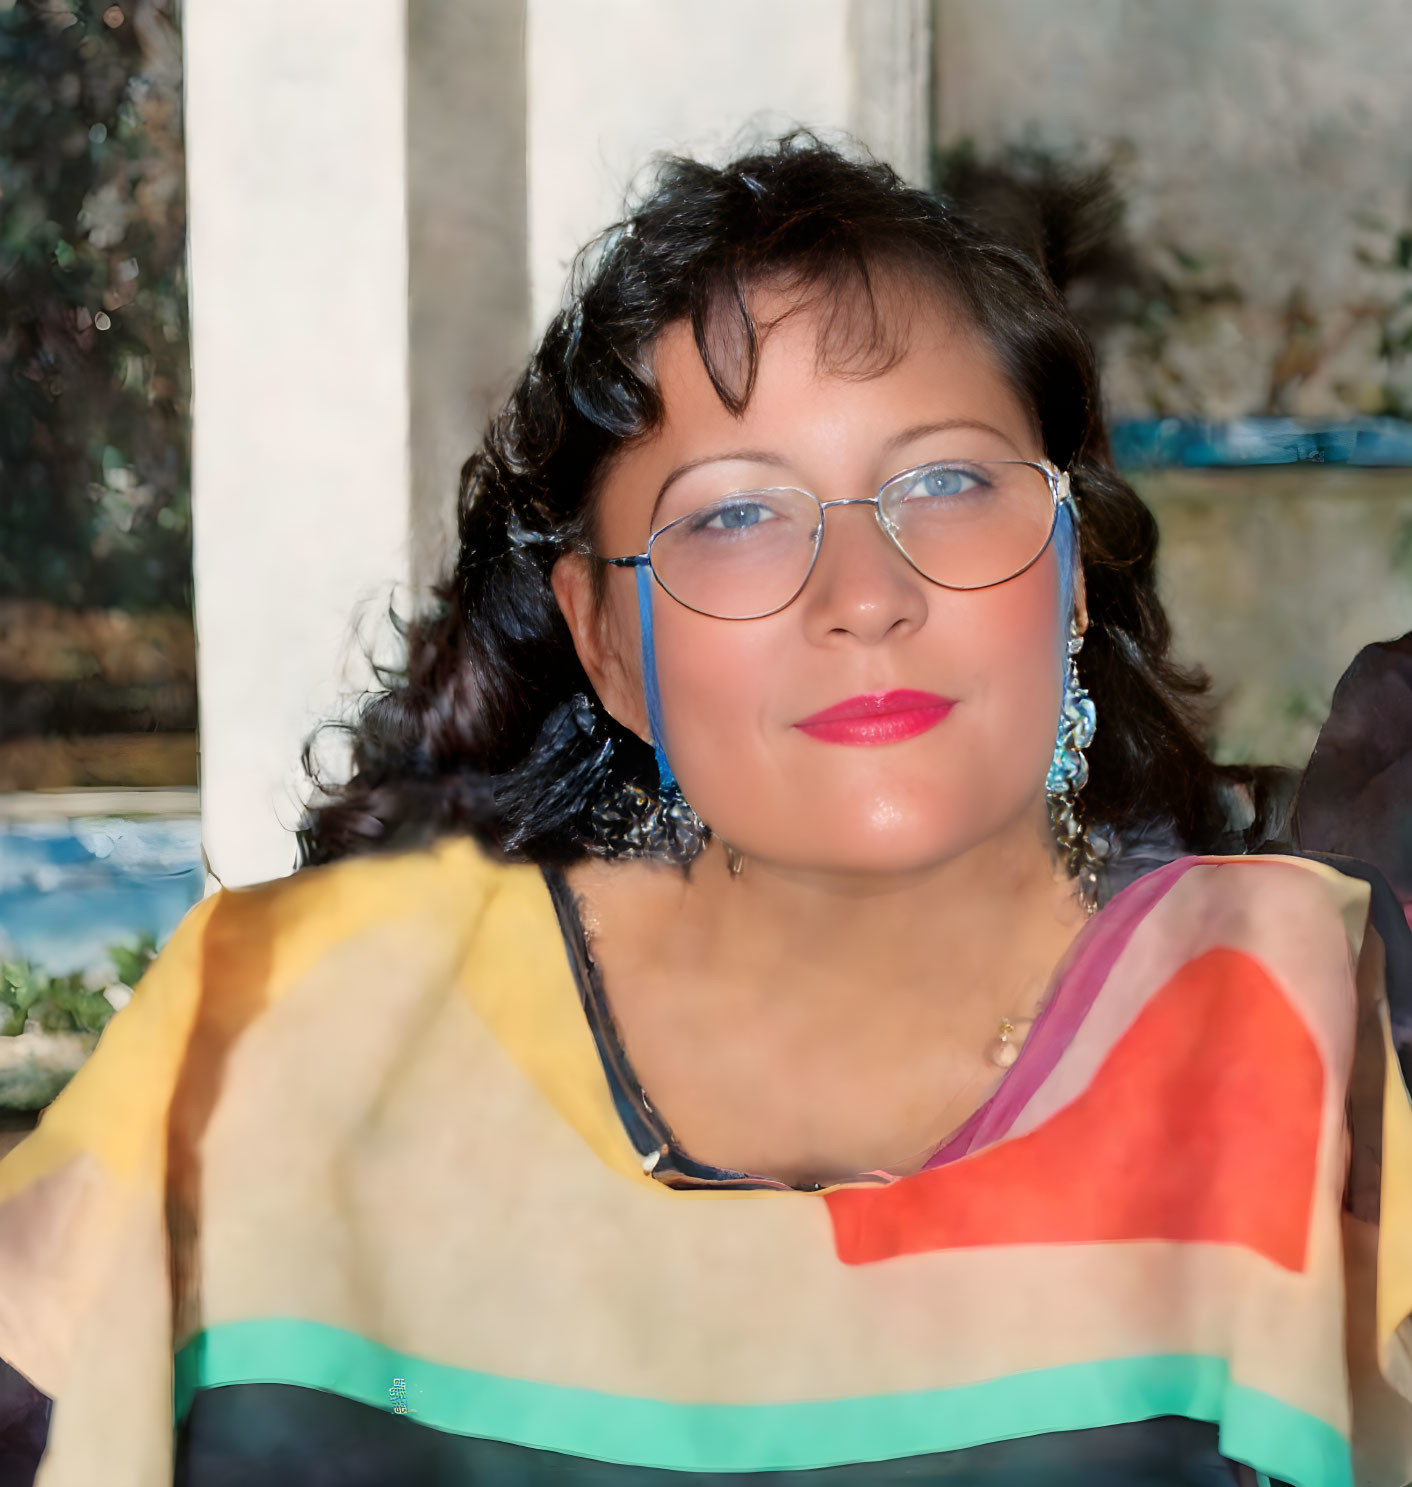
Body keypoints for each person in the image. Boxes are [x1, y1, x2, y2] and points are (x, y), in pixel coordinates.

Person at [0, 136, 1409, 1487]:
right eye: (736, 517)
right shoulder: (285, 1031)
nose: (866, 597)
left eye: (947, 484)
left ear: (1071, 574)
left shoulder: (1294, 1021)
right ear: (606, 641)